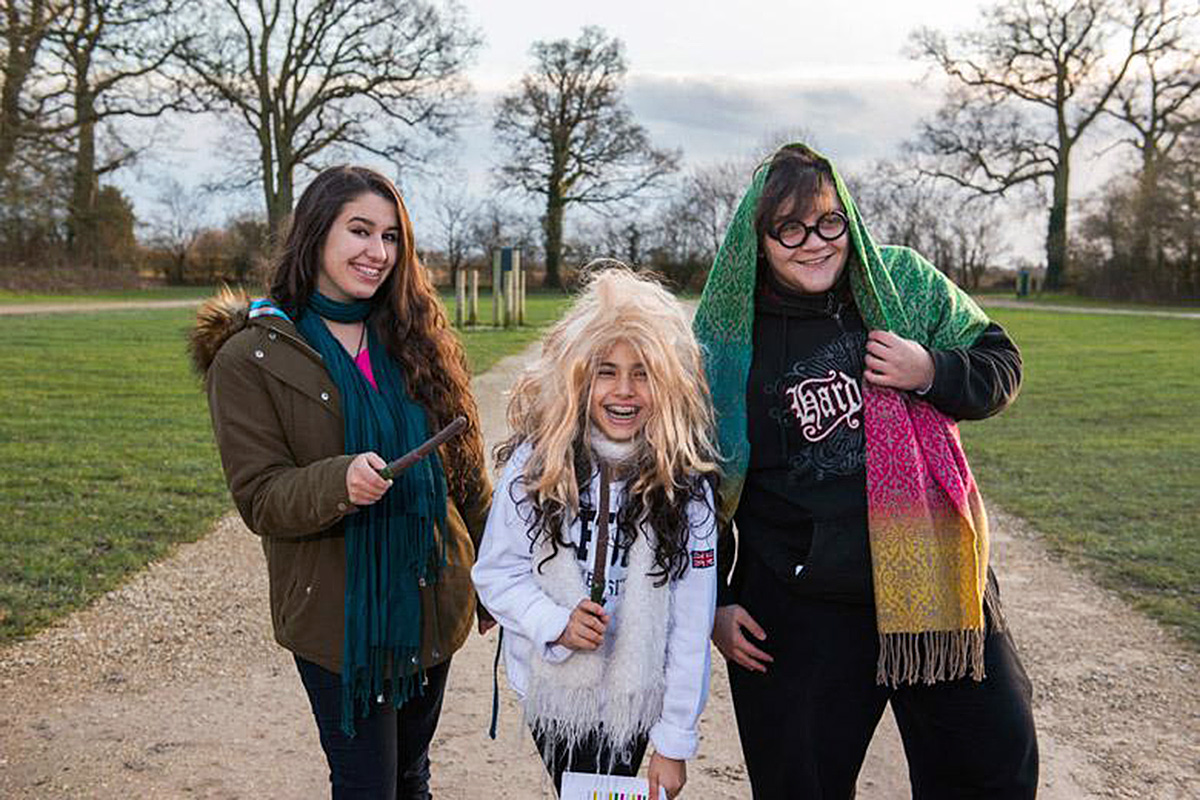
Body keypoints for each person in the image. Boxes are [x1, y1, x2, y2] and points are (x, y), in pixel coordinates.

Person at [692, 143, 1037, 799]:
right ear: (758, 240)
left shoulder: (901, 283)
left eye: (829, 222)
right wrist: (716, 602)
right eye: (789, 229)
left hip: (933, 582)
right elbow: (694, 484)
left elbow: (1001, 363)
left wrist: (930, 369)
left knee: (993, 766)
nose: (815, 243)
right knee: (801, 786)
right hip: (800, 609)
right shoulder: (726, 337)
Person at [189, 165, 492, 800]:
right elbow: (260, 498)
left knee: (411, 777)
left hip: (431, 600)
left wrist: (494, 581)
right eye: (360, 230)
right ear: (316, 231)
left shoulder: (417, 336)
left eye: (391, 237)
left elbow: (466, 475)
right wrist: (339, 483)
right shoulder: (251, 357)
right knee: (366, 786)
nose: (377, 252)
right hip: (340, 618)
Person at [472, 266, 720, 800]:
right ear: (579, 377)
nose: (624, 391)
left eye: (643, 373)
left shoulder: (686, 484)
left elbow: (691, 622)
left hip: (639, 698)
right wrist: (555, 625)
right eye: (607, 371)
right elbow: (496, 573)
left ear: (668, 382)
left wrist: (674, 740)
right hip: (553, 693)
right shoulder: (536, 465)